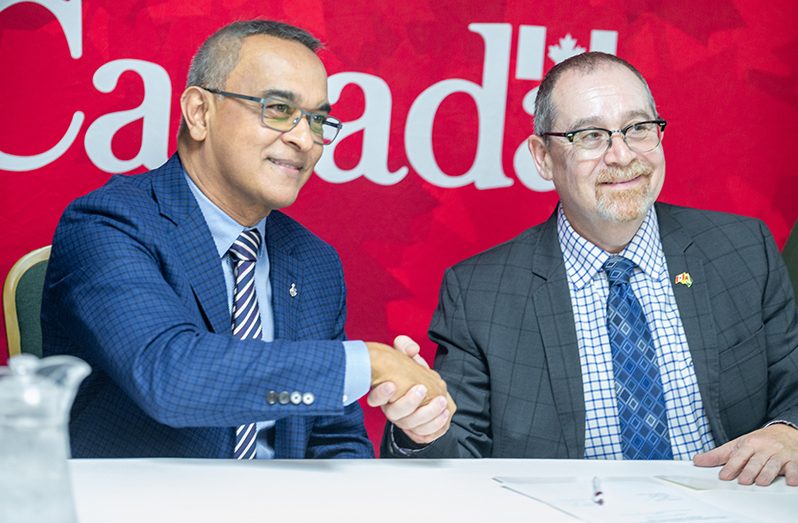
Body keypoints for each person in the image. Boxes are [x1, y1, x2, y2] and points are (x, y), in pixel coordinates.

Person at [378, 51, 798, 486]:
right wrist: (420, 429)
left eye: (638, 128)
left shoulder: (742, 248)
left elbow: (793, 385)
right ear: (542, 157)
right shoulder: (479, 293)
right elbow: (454, 459)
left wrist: (789, 430)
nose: (621, 155)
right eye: (590, 136)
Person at [41, 19, 452, 459]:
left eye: (317, 119)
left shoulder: (314, 262)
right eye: (278, 109)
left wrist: (411, 423)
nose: (303, 139)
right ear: (199, 112)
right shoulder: (109, 223)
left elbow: (334, 440)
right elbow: (170, 377)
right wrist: (367, 363)